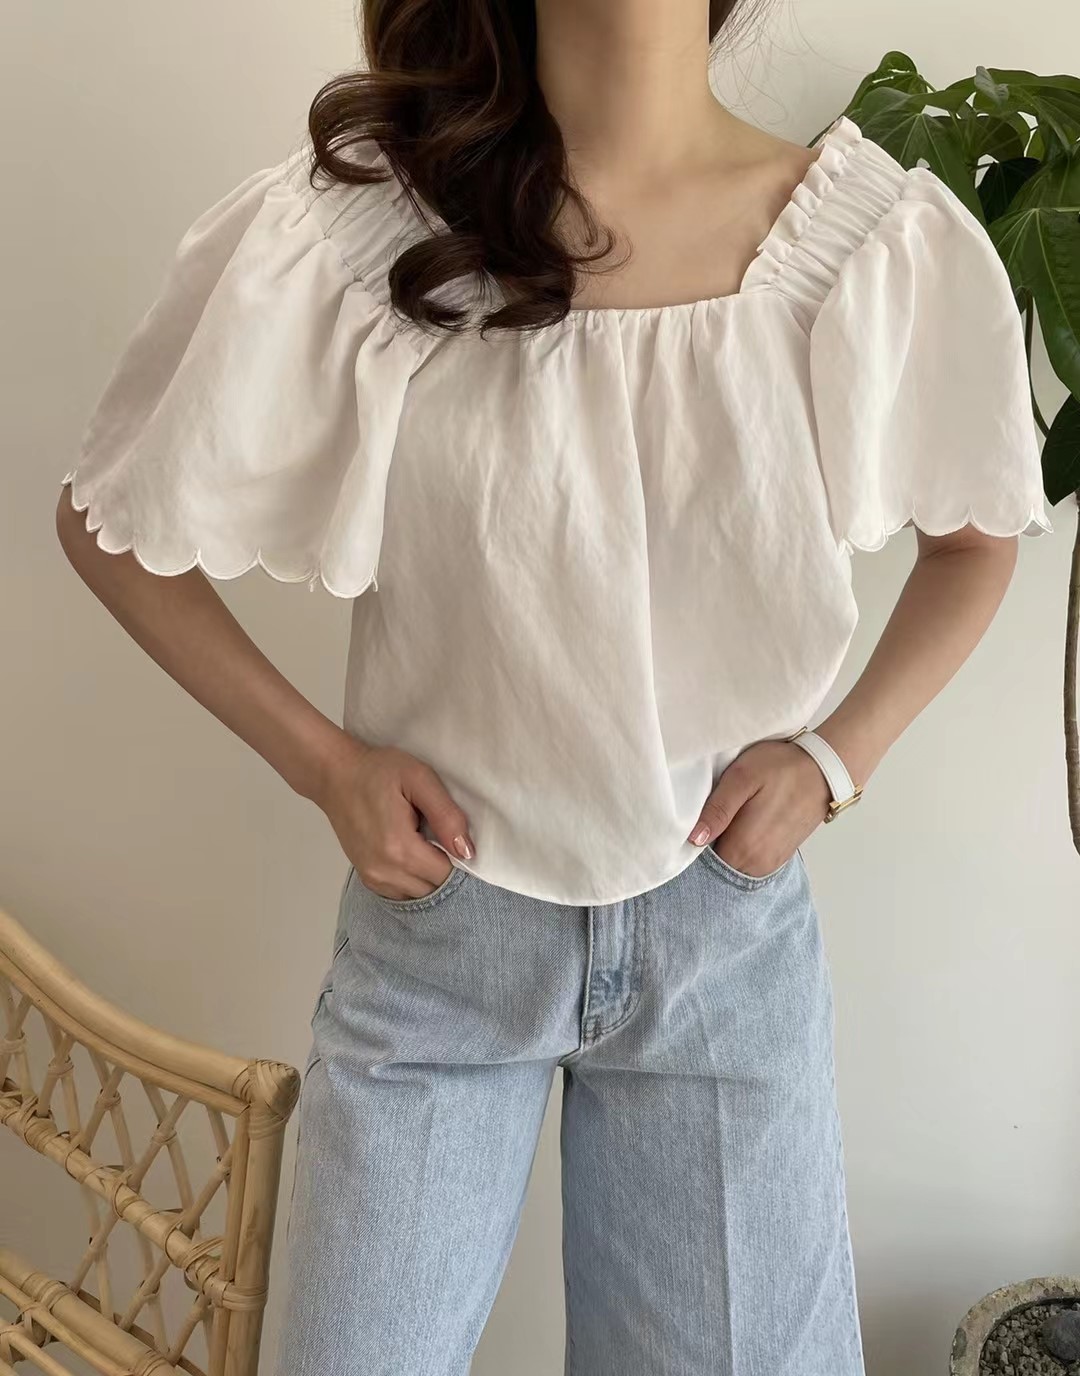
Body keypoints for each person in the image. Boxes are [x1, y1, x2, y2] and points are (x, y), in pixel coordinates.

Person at [55, 2, 1053, 1373]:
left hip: (723, 939)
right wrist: (327, 766)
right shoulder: (364, 236)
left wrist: (833, 763)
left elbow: (975, 542)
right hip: (443, 941)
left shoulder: (862, 243)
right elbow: (108, 527)